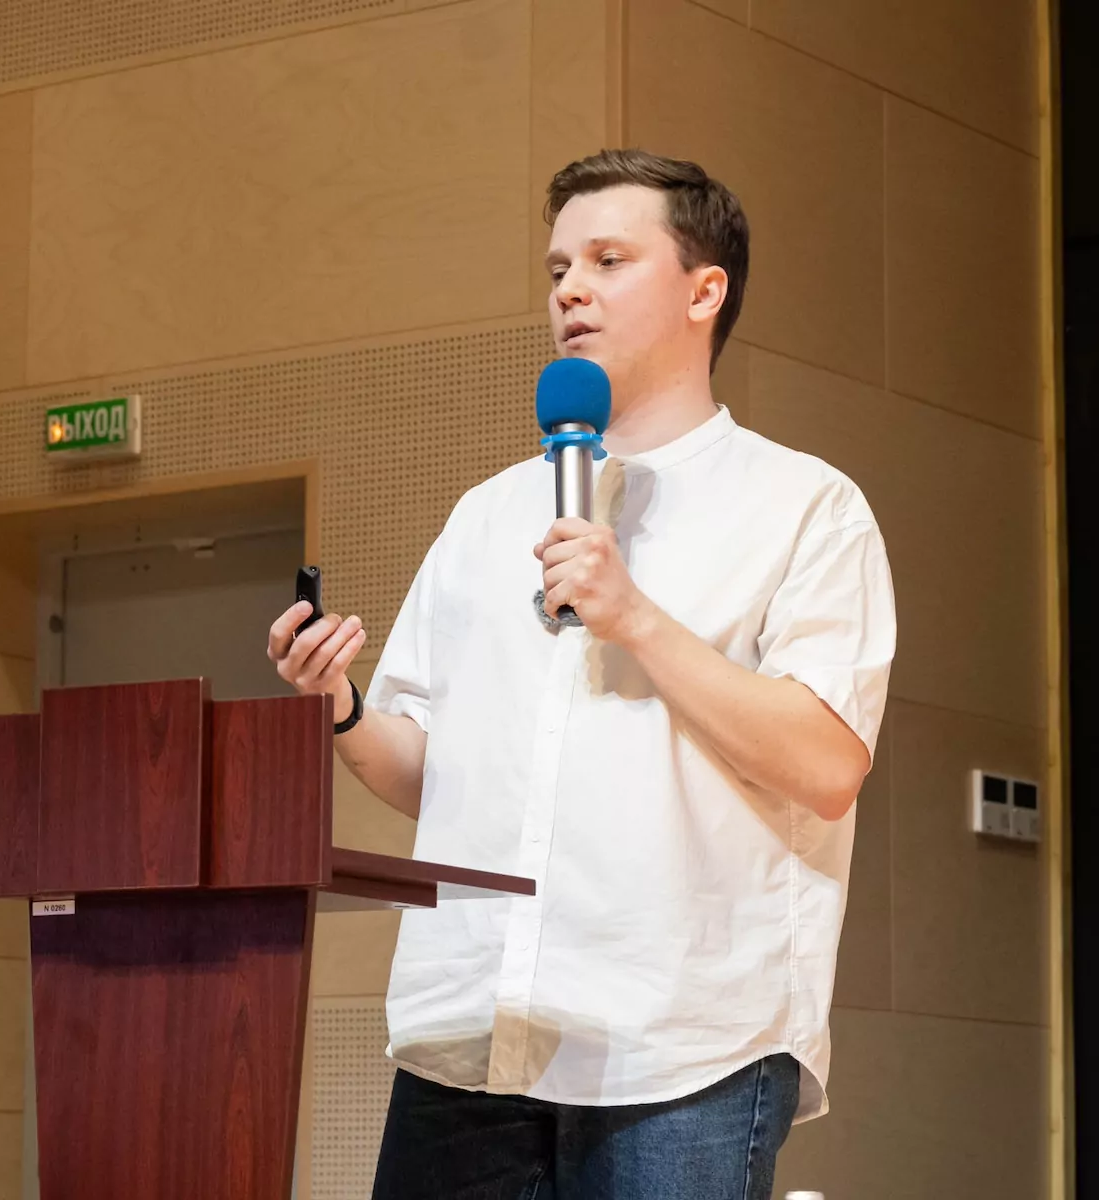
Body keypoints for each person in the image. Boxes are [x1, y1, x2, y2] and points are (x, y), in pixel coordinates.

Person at [266, 148, 896, 1200]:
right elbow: (433, 779)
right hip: (473, 1028)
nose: (569, 290)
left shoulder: (804, 507)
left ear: (704, 291)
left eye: (609, 260)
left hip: (682, 1042)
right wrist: (341, 705)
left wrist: (634, 617)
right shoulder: (488, 515)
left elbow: (827, 765)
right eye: (558, 268)